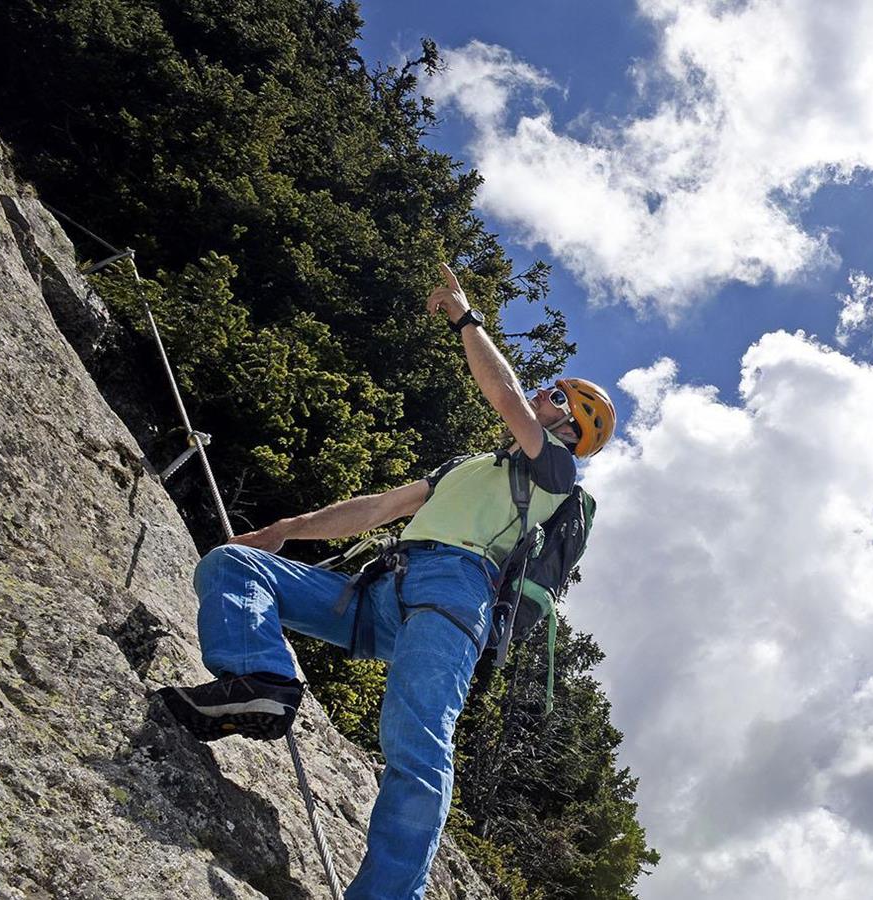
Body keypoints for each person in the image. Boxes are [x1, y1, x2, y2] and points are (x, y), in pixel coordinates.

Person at [154, 262, 616, 898]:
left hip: (456, 597)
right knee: (235, 565)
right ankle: (260, 680)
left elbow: (504, 396)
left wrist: (464, 317)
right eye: (549, 389)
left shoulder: (555, 475)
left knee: (416, 742)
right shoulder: (468, 466)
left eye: (559, 398)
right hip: (383, 589)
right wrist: (284, 529)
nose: (544, 395)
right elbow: (377, 508)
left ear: (575, 428)